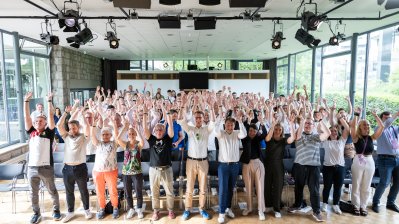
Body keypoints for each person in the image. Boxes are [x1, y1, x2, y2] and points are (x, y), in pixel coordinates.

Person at [24, 92, 61, 224]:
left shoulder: (49, 133)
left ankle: (56, 210)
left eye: (41, 121)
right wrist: (26, 101)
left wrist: (49, 100)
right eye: (36, 121)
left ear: (45, 122)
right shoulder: (31, 131)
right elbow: (27, 117)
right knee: (33, 194)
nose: (38, 122)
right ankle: (36, 213)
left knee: (52, 191)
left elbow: (51, 116)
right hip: (32, 168)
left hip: (46, 167)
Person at [288, 117, 330, 222]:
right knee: (298, 188)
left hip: (314, 166)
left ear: (313, 126)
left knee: (314, 190)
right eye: (306, 123)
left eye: (310, 123)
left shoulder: (316, 137)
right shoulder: (299, 135)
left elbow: (328, 133)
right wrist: (302, 121)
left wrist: (320, 120)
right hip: (299, 166)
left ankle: (316, 211)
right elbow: (297, 134)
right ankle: (297, 205)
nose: (307, 125)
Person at [178, 108, 215, 220]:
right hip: (191, 161)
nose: (198, 119)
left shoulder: (206, 129)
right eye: (196, 117)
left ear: (203, 119)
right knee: (189, 187)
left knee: (203, 188)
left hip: (203, 162)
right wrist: (183, 105)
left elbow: (213, 121)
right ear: (194, 119)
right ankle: (187, 209)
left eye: (200, 117)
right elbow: (180, 119)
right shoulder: (190, 129)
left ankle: (202, 209)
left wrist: (209, 106)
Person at [56, 109, 92, 222]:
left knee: (83, 191)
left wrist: (82, 115)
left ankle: (87, 210)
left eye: (74, 128)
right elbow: (58, 125)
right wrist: (66, 113)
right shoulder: (66, 137)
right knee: (69, 192)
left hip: (80, 168)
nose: (72, 130)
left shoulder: (83, 137)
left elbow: (87, 128)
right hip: (67, 169)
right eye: (70, 128)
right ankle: (70, 212)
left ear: (78, 127)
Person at [143, 104, 176, 221]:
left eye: (161, 129)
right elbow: (145, 129)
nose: (158, 131)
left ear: (164, 130)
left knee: (169, 192)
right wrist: (145, 114)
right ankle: (156, 211)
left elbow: (171, 128)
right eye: (156, 129)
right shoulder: (151, 139)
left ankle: (170, 210)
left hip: (167, 169)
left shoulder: (168, 138)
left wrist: (166, 112)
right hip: (154, 170)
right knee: (155, 192)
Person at [350, 107, 384, 216]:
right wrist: (356, 114)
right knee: (356, 184)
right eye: (364, 125)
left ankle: (363, 206)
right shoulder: (355, 137)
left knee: (366, 185)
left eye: (368, 125)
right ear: (360, 127)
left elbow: (382, 126)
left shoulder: (371, 137)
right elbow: (352, 126)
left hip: (369, 161)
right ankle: (355, 205)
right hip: (358, 160)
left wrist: (375, 116)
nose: (367, 126)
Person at [214, 115, 247, 224]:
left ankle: (228, 208)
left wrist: (240, 121)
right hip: (223, 166)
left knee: (230, 189)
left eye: (232, 125)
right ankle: (221, 213)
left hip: (234, 165)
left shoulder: (237, 133)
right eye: (228, 124)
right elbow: (215, 130)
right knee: (223, 190)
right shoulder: (221, 133)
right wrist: (219, 118)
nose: (230, 126)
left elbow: (244, 134)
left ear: (234, 125)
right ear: (225, 125)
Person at [264, 118, 296, 218]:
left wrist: (291, 124)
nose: (277, 131)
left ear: (282, 131)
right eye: (276, 129)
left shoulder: (283, 140)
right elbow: (267, 139)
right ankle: (268, 205)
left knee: (278, 187)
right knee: (267, 186)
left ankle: (277, 209)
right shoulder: (269, 138)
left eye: (280, 129)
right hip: (268, 164)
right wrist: (273, 124)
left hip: (278, 165)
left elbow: (292, 139)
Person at [90, 117, 120, 220]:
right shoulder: (98, 144)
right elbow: (92, 135)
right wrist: (93, 125)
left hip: (111, 171)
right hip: (98, 171)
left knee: (113, 191)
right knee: (99, 191)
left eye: (107, 134)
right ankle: (102, 208)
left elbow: (117, 135)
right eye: (103, 134)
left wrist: (114, 124)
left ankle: (115, 207)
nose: (105, 136)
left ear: (110, 135)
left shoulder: (114, 143)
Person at [116, 118, 145, 219]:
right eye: (130, 134)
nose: (131, 135)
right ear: (128, 135)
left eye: (133, 134)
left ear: (135, 134)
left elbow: (142, 141)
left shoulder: (138, 144)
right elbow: (118, 139)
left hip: (137, 172)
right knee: (128, 193)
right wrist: (125, 127)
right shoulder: (126, 144)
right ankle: (131, 209)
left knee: (138, 192)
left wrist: (136, 129)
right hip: (126, 173)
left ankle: (139, 209)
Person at [321, 114, 350, 215]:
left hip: (340, 168)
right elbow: (321, 128)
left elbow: (347, 128)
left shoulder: (342, 141)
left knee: (338, 187)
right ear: (328, 133)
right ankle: (324, 203)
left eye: (335, 131)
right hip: (328, 168)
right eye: (331, 131)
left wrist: (340, 118)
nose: (333, 132)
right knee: (327, 186)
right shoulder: (325, 142)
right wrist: (328, 117)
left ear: (337, 132)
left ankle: (336, 204)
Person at [240, 119, 268, 220]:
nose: (252, 132)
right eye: (250, 130)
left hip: (258, 163)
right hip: (247, 164)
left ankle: (261, 210)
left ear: (256, 132)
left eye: (254, 131)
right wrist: (241, 120)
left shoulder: (258, 138)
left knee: (260, 187)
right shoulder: (244, 138)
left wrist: (262, 124)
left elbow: (265, 135)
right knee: (248, 188)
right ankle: (249, 208)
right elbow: (242, 130)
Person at [372, 110, 399, 213]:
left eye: (390, 118)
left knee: (397, 182)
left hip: (397, 158)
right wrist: (396, 114)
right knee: (385, 182)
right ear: (381, 119)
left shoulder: (394, 129)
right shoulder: (378, 128)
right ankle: (375, 202)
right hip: (385, 159)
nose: (389, 120)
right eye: (386, 118)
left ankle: (390, 203)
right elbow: (386, 124)